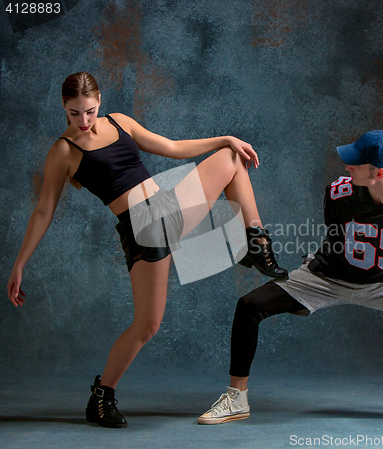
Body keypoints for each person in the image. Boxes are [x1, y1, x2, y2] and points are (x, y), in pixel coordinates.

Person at [6, 72, 288, 429]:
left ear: (100, 101)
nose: (84, 121)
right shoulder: (64, 150)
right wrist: (19, 264)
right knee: (231, 161)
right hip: (142, 225)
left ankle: (101, 397)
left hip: (163, 209)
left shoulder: (120, 123)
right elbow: (44, 209)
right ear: (64, 107)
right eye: (75, 113)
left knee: (147, 324)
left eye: (90, 111)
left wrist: (225, 136)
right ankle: (256, 244)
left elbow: (171, 147)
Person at [198, 129, 383, 425]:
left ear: (378, 172)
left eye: (355, 163)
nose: (346, 167)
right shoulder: (340, 193)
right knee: (249, 306)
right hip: (326, 278)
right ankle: (237, 397)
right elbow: (340, 242)